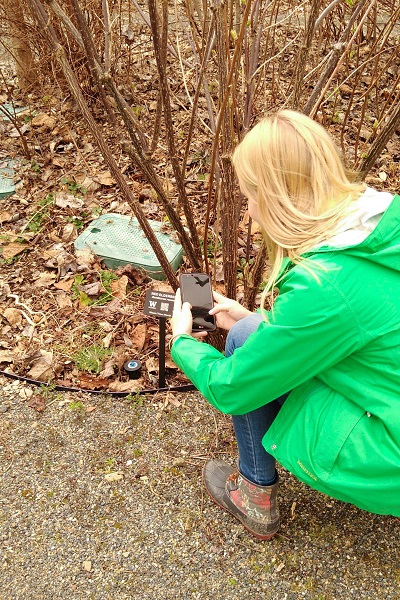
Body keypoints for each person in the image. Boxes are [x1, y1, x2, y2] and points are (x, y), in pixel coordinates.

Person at [170, 109, 400, 540]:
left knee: (242, 346)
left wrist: (182, 342)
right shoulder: (380, 229)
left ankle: (256, 497)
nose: (251, 214)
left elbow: (233, 386)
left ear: (278, 198)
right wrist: (258, 322)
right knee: (245, 330)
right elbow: (355, 330)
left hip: (389, 451)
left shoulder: (326, 287)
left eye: (250, 198)